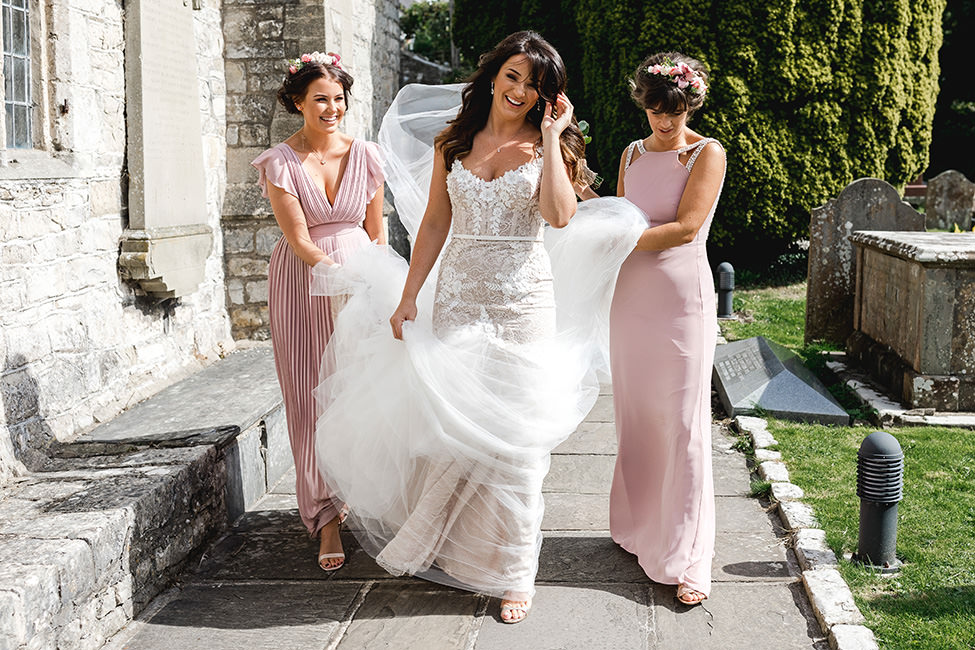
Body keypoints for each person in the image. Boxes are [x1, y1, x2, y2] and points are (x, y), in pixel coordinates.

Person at [309, 31, 645, 624]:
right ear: (494, 75)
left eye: (535, 85)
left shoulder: (550, 146)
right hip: (460, 297)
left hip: (522, 302)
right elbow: (436, 221)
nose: (520, 91)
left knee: (516, 442)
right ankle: (451, 549)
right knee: (455, 431)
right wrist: (410, 294)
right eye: (514, 76)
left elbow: (560, 217)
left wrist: (548, 136)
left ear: (547, 97)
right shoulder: (453, 141)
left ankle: (516, 569)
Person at [580, 52, 726, 606]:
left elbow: (686, 229)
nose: (666, 121)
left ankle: (690, 555)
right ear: (644, 103)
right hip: (631, 299)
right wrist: (579, 194)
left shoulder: (706, 153)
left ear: (690, 104)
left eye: (676, 110)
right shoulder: (631, 153)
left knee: (684, 423)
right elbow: (619, 210)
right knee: (637, 417)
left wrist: (614, 236)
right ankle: (638, 529)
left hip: (680, 299)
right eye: (656, 110)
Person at [250, 51, 386, 572]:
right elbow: (299, 239)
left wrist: (371, 279)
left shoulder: (368, 156)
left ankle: (373, 498)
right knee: (309, 394)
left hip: (362, 281)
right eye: (320, 100)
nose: (331, 108)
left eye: (338, 99)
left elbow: (375, 230)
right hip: (303, 283)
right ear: (297, 103)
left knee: (366, 390)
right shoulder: (279, 163)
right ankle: (326, 516)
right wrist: (339, 274)